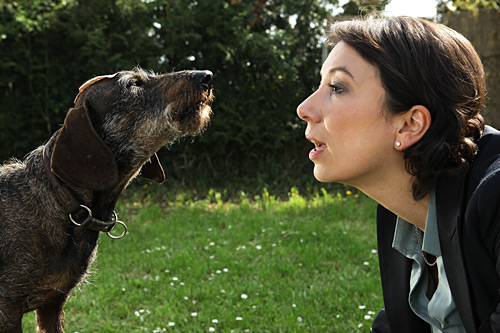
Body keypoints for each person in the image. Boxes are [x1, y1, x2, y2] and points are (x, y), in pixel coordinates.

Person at [296, 16, 500, 333]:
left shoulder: (495, 197)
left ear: (410, 125)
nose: (304, 108)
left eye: (337, 87)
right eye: (320, 85)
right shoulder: (400, 212)